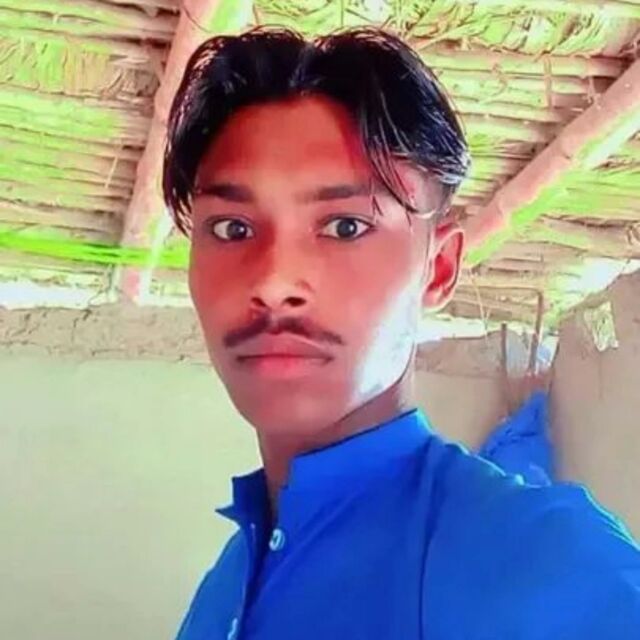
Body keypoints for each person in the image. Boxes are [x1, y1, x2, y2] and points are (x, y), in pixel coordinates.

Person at [162, 26, 640, 640]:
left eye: (344, 226)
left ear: (436, 268)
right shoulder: (229, 580)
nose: (274, 281)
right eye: (232, 228)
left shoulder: (539, 564)